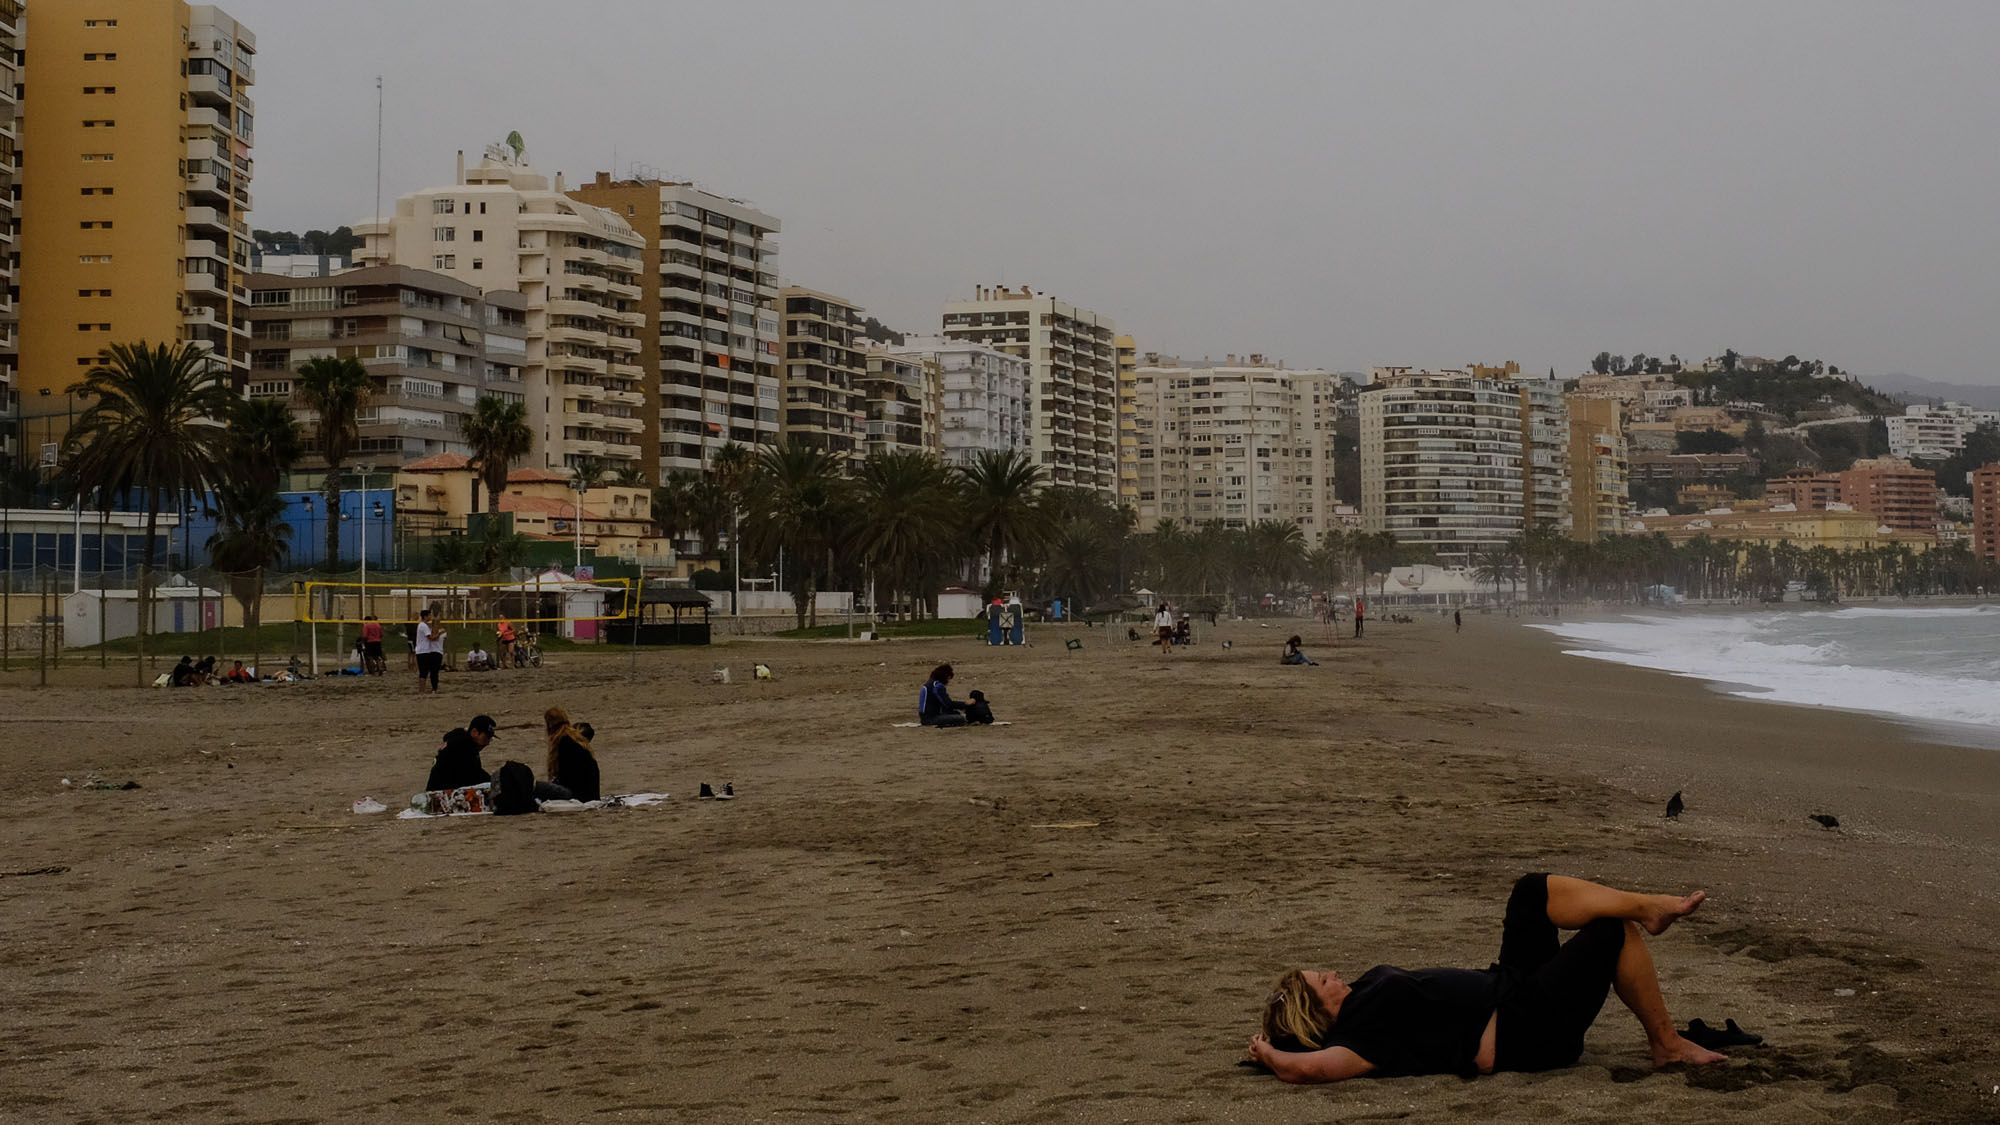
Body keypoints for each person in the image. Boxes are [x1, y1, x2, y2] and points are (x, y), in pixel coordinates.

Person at [1247, 873, 1725, 1083]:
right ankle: (1666, 1043)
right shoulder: (1359, 1039)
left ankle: (1648, 906)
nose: (1331, 972)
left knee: (1529, 892)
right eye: (1321, 981)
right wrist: (1269, 1054)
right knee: (1611, 934)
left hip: (1511, 986)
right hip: (1529, 1029)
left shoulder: (1363, 1000)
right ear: (1317, 1012)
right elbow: (1304, 1070)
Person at [539, 706, 600, 802]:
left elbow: (567, 776)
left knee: (537, 787)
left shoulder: (563, 742)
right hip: (591, 795)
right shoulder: (576, 738)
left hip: (577, 795)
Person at [426, 715, 496, 791]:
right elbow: (471, 776)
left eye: (490, 739)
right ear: (474, 732)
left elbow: (476, 771)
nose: (487, 743)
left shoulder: (462, 742)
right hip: (442, 793)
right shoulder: (463, 746)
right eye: (485, 738)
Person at [918, 663, 971, 728]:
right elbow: (948, 704)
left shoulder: (929, 684)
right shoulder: (938, 686)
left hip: (925, 717)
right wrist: (965, 704)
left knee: (955, 714)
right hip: (930, 718)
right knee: (961, 718)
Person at [414, 608, 446, 694]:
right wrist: (439, 633)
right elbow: (431, 638)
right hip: (423, 651)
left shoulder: (423, 625)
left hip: (425, 651)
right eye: (429, 615)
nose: (430, 617)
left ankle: (423, 690)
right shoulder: (423, 626)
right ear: (425, 616)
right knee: (423, 672)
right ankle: (421, 691)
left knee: (425, 672)